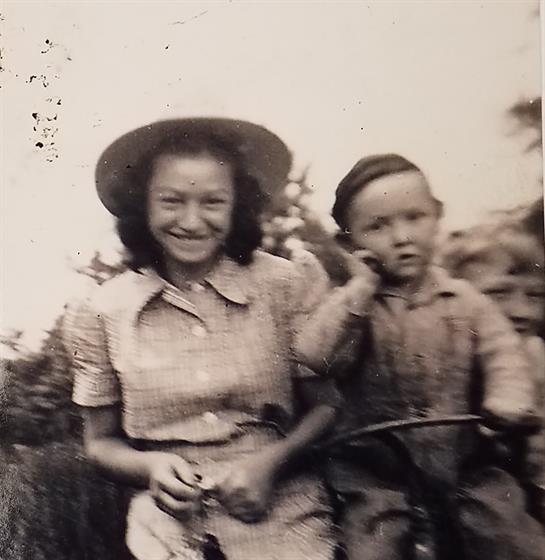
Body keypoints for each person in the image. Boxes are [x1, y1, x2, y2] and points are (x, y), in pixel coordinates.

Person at [67, 118, 337, 560]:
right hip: (166, 519)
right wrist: (150, 466)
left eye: (213, 202)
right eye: (171, 201)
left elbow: (327, 407)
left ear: (237, 206)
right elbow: (100, 444)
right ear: (143, 205)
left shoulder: (285, 285)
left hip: (282, 504)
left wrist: (271, 464)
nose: (191, 222)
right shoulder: (102, 311)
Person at [295, 154, 545, 560]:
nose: (401, 237)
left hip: (464, 463)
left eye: (415, 218)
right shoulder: (351, 307)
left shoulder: (466, 302)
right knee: (374, 544)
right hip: (376, 475)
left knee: (510, 536)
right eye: (378, 226)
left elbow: (504, 355)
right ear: (349, 242)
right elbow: (314, 355)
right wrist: (360, 288)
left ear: (437, 216)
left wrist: (508, 398)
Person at [442, 224, 545, 523]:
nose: (523, 311)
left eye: (536, 295)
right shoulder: (437, 349)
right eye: (499, 293)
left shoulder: (534, 354)